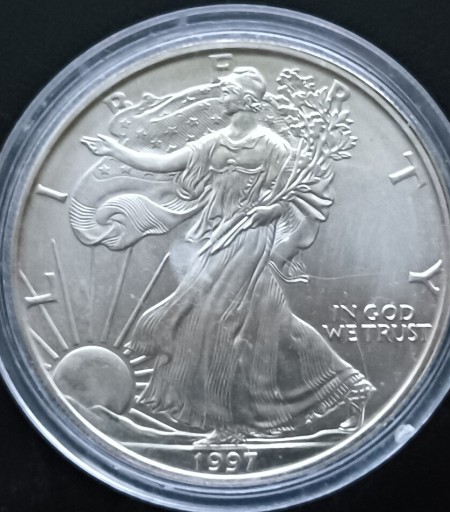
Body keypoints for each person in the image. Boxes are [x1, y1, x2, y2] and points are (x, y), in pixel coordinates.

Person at [82, 67, 374, 443]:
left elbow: (303, 196)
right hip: (216, 236)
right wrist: (117, 152)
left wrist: (272, 210)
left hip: (251, 237)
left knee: (220, 320)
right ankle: (349, 389)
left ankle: (229, 423)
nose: (223, 95)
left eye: (229, 91)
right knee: (273, 324)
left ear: (248, 100)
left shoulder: (272, 146)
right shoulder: (214, 143)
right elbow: (165, 163)